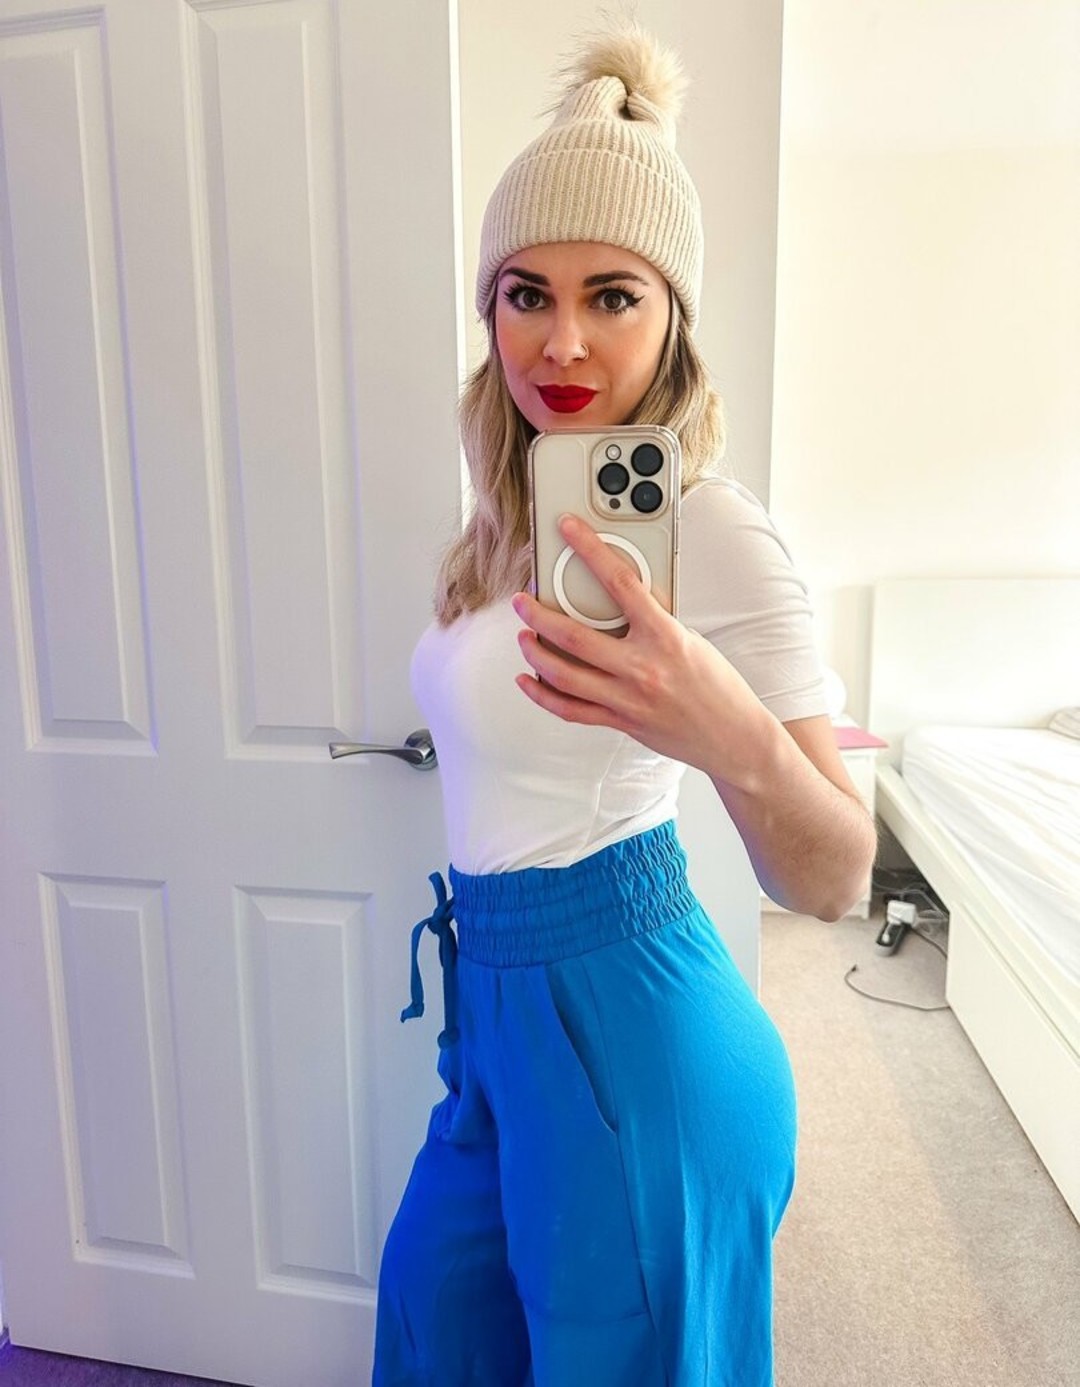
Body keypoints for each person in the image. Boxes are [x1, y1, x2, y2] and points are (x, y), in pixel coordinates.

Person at [372, 22, 876, 1387]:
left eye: (614, 295)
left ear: (673, 322)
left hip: (635, 1028)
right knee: (432, 1325)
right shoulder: (500, 529)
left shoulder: (711, 532)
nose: (564, 339)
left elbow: (838, 874)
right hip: (491, 1014)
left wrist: (723, 728)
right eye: (526, 293)